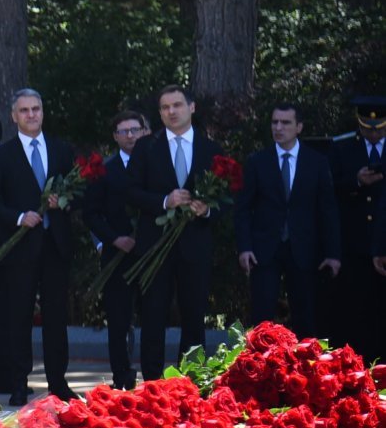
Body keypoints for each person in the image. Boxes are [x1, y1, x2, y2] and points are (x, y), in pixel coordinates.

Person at [0, 89, 78, 404]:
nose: (31, 115)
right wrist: (18, 217)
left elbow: (79, 193)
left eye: (36, 109)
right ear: (14, 116)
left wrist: (62, 201)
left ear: (43, 111)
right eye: (24, 111)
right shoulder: (1, 155)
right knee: (18, 315)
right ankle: (18, 383)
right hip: (20, 246)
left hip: (55, 244)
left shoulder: (62, 150)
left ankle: (57, 382)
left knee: (55, 317)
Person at [126, 84, 225, 381]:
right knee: (153, 316)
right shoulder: (146, 147)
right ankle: (153, 384)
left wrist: (206, 209)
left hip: (194, 245)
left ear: (191, 108)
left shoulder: (211, 149)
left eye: (177, 105)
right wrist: (164, 201)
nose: (171, 111)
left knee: (194, 316)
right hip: (155, 246)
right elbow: (130, 192)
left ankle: (192, 383)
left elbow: (228, 199)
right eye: (165, 107)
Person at [235, 103, 340, 337]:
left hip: (304, 248)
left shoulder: (316, 162)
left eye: (285, 123)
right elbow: (242, 208)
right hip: (264, 250)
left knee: (306, 315)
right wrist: (245, 248)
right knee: (262, 317)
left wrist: (333, 253)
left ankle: (308, 369)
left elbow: (327, 210)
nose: (279, 128)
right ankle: (260, 369)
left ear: (299, 127)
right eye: (274, 122)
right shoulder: (257, 161)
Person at [84, 110, 149, 389]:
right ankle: (121, 375)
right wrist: (112, 239)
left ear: (145, 131)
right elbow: (91, 213)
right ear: (115, 136)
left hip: (151, 252)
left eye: (135, 130)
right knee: (119, 318)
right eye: (124, 131)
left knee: (152, 315)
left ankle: (154, 374)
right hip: (117, 253)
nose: (130, 136)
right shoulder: (105, 170)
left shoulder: (156, 165)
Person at [328, 95, 386, 361]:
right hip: (355, 244)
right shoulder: (343, 148)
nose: (373, 132)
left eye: (379, 127)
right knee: (356, 314)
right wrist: (357, 182)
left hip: (383, 243)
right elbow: (329, 190)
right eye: (367, 127)